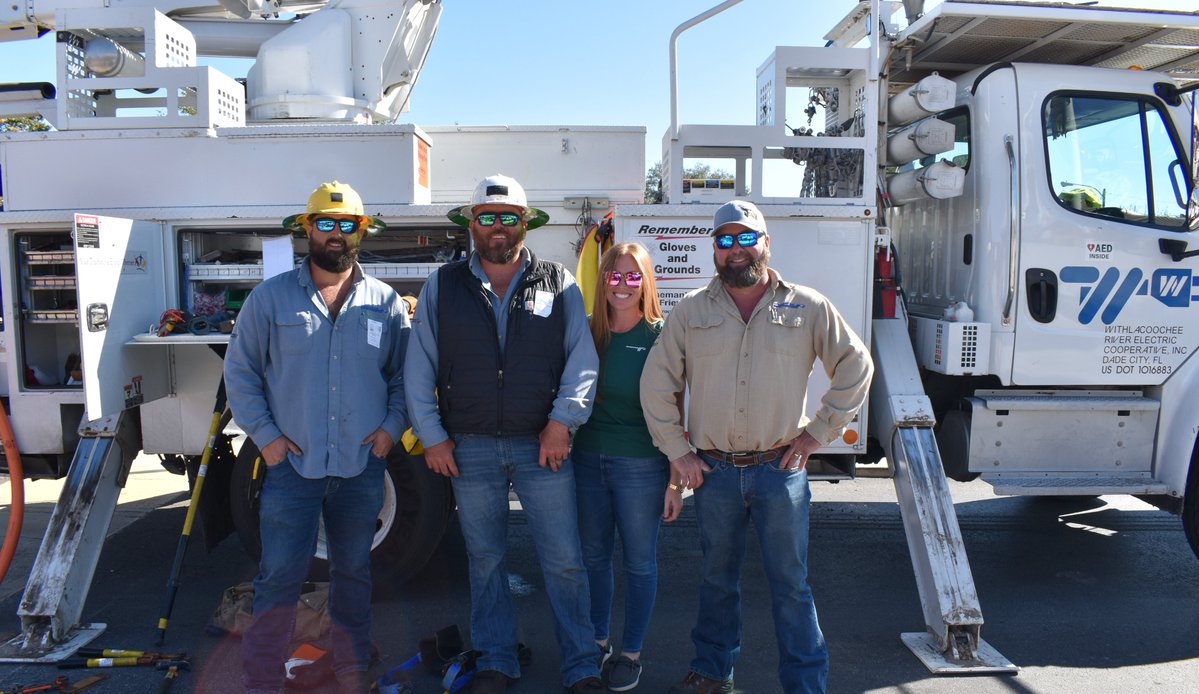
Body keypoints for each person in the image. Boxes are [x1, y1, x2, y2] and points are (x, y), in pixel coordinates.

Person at [640, 200, 874, 694]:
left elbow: (857, 366)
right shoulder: (690, 312)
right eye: (725, 241)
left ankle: (805, 684)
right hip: (714, 472)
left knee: (791, 586)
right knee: (716, 580)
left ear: (766, 243)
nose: (736, 250)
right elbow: (656, 385)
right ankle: (711, 672)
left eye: (746, 238)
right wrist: (677, 451)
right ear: (714, 251)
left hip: (779, 471)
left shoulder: (807, 305)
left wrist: (818, 434)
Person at [405, 174, 605, 694]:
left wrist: (563, 422)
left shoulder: (557, 280)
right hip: (468, 448)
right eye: (487, 217)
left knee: (564, 560)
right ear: (472, 224)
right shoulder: (443, 286)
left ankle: (582, 664)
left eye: (508, 216)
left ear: (525, 222)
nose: (498, 227)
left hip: (544, 446)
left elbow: (581, 361)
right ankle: (496, 659)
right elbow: (418, 366)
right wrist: (432, 435)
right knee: (485, 559)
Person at [224, 181, 411, 694]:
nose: (335, 234)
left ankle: (351, 666)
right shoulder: (270, 298)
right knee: (279, 577)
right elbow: (240, 373)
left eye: (346, 224)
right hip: (291, 470)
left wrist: (391, 430)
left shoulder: (386, 302)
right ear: (307, 228)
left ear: (361, 230)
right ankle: (262, 676)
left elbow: (403, 376)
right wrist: (267, 439)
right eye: (324, 223)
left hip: (361, 466)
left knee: (353, 572)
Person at [571, 242, 677, 692]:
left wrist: (676, 480)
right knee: (592, 558)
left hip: (642, 464)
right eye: (615, 275)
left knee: (639, 563)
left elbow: (679, 409)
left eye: (634, 277)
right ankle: (597, 641)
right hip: (587, 460)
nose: (622, 285)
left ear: (646, 282)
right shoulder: (587, 332)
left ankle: (630, 652)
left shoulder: (662, 336)